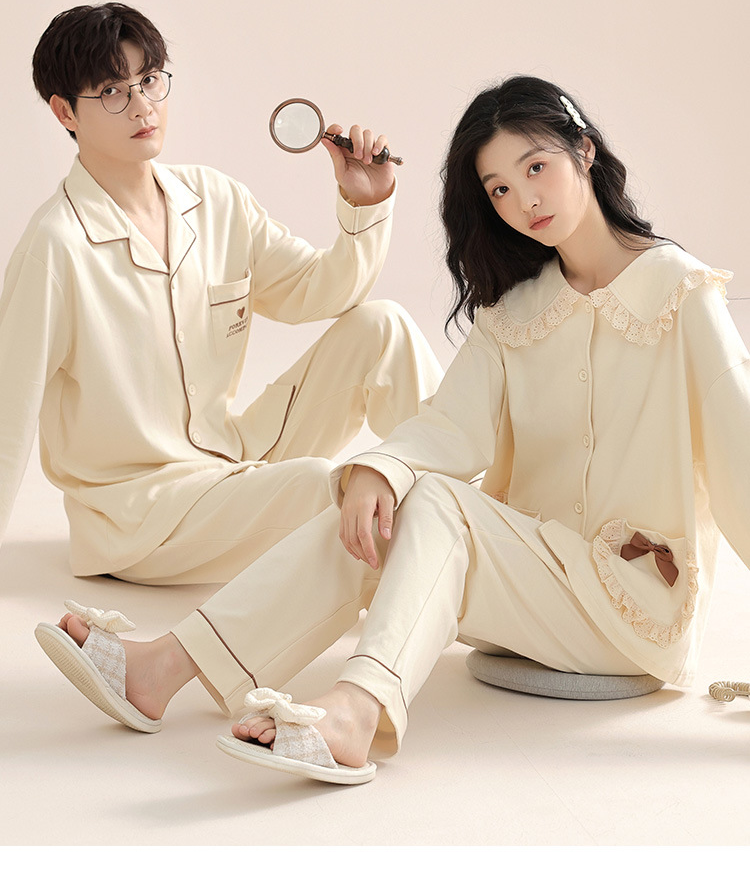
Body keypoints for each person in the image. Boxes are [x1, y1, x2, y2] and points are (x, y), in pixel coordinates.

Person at [36, 75, 750, 786]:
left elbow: (744, 468)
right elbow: (449, 425)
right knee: (382, 504)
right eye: (500, 188)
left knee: (434, 500)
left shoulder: (679, 292)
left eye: (536, 168)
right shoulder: (518, 309)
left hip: (633, 607)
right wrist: (376, 471)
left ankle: (357, 712)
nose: (524, 200)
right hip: (532, 584)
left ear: (583, 152)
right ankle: (160, 670)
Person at [0, 2, 442, 583]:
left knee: (384, 327)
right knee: (325, 487)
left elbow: (319, 292)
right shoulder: (55, 246)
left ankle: (487, 509)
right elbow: (8, 412)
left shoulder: (216, 200)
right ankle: (462, 563)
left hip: (233, 456)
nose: (142, 106)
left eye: (149, 80)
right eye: (111, 91)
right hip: (144, 515)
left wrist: (365, 202)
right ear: (65, 112)